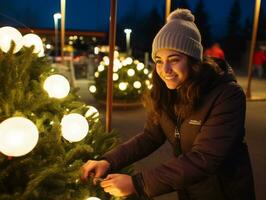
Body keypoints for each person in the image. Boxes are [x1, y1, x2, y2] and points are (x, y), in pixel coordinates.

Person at [81, 9, 256, 200]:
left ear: (193, 61)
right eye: (159, 61)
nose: (165, 70)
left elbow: (204, 159)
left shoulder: (227, 95)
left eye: (174, 60)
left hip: (225, 191)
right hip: (188, 188)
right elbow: (150, 137)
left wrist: (138, 184)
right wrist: (108, 160)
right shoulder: (168, 92)